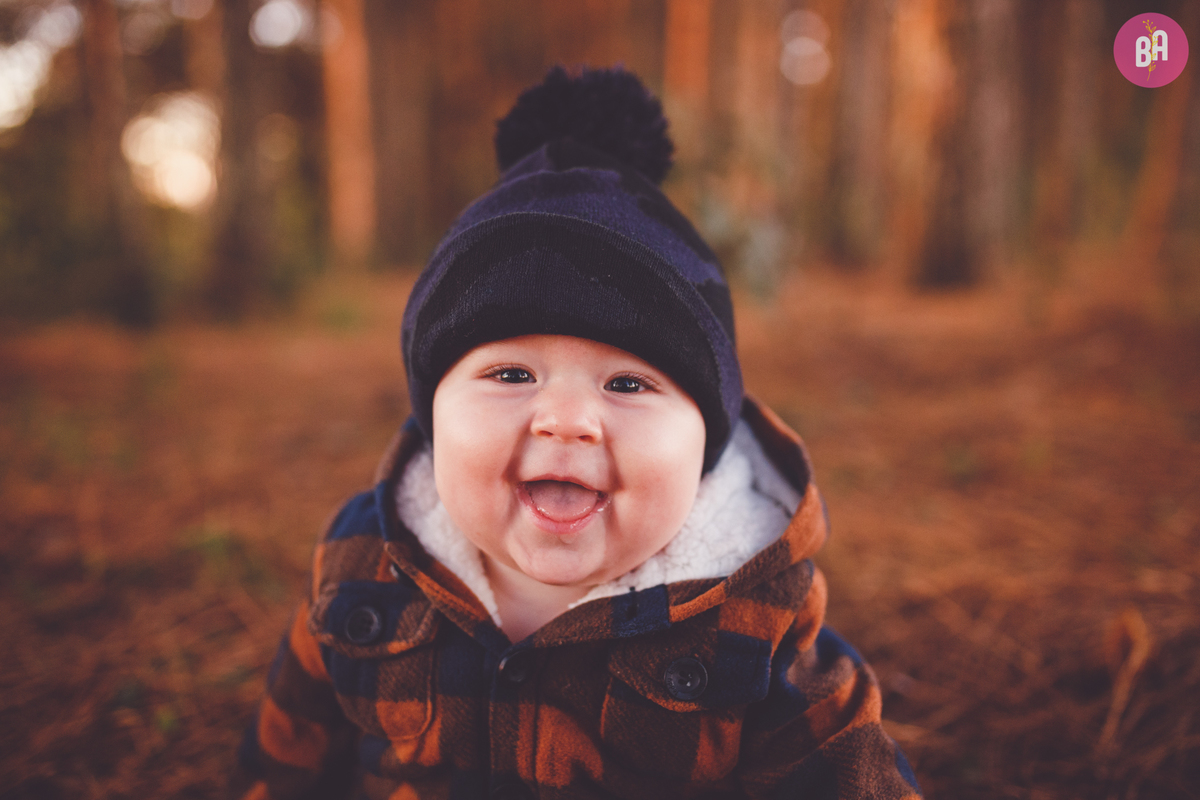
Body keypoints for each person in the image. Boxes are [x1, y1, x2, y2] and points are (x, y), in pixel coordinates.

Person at [234, 66, 922, 800]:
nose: (565, 420)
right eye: (511, 375)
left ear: (707, 440)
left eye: (627, 384)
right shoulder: (364, 564)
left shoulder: (755, 615)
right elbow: (288, 752)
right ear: (433, 411)